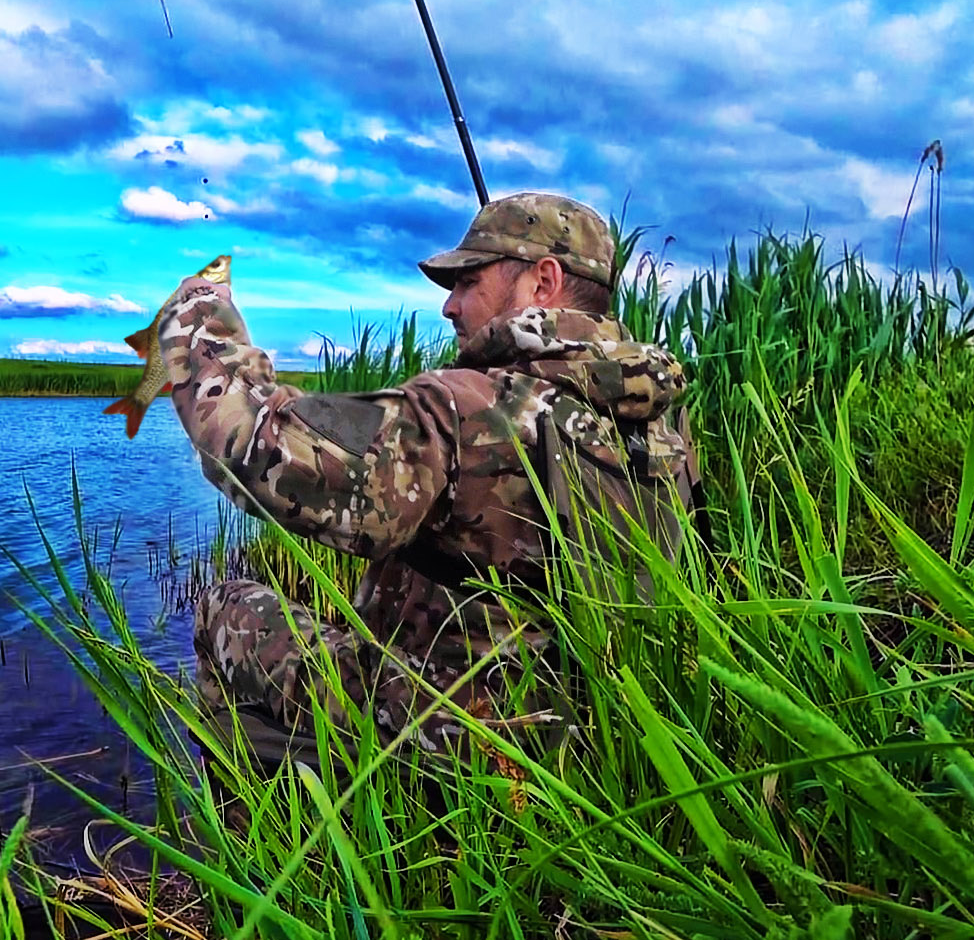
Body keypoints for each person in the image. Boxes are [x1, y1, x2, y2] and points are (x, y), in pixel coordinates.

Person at [154, 191, 702, 766]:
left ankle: (253, 821)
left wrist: (196, 317)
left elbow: (262, 448)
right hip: (592, 734)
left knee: (227, 602)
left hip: (457, 739)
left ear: (543, 282)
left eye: (469, 281)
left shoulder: (466, 406)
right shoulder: (664, 421)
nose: (450, 306)